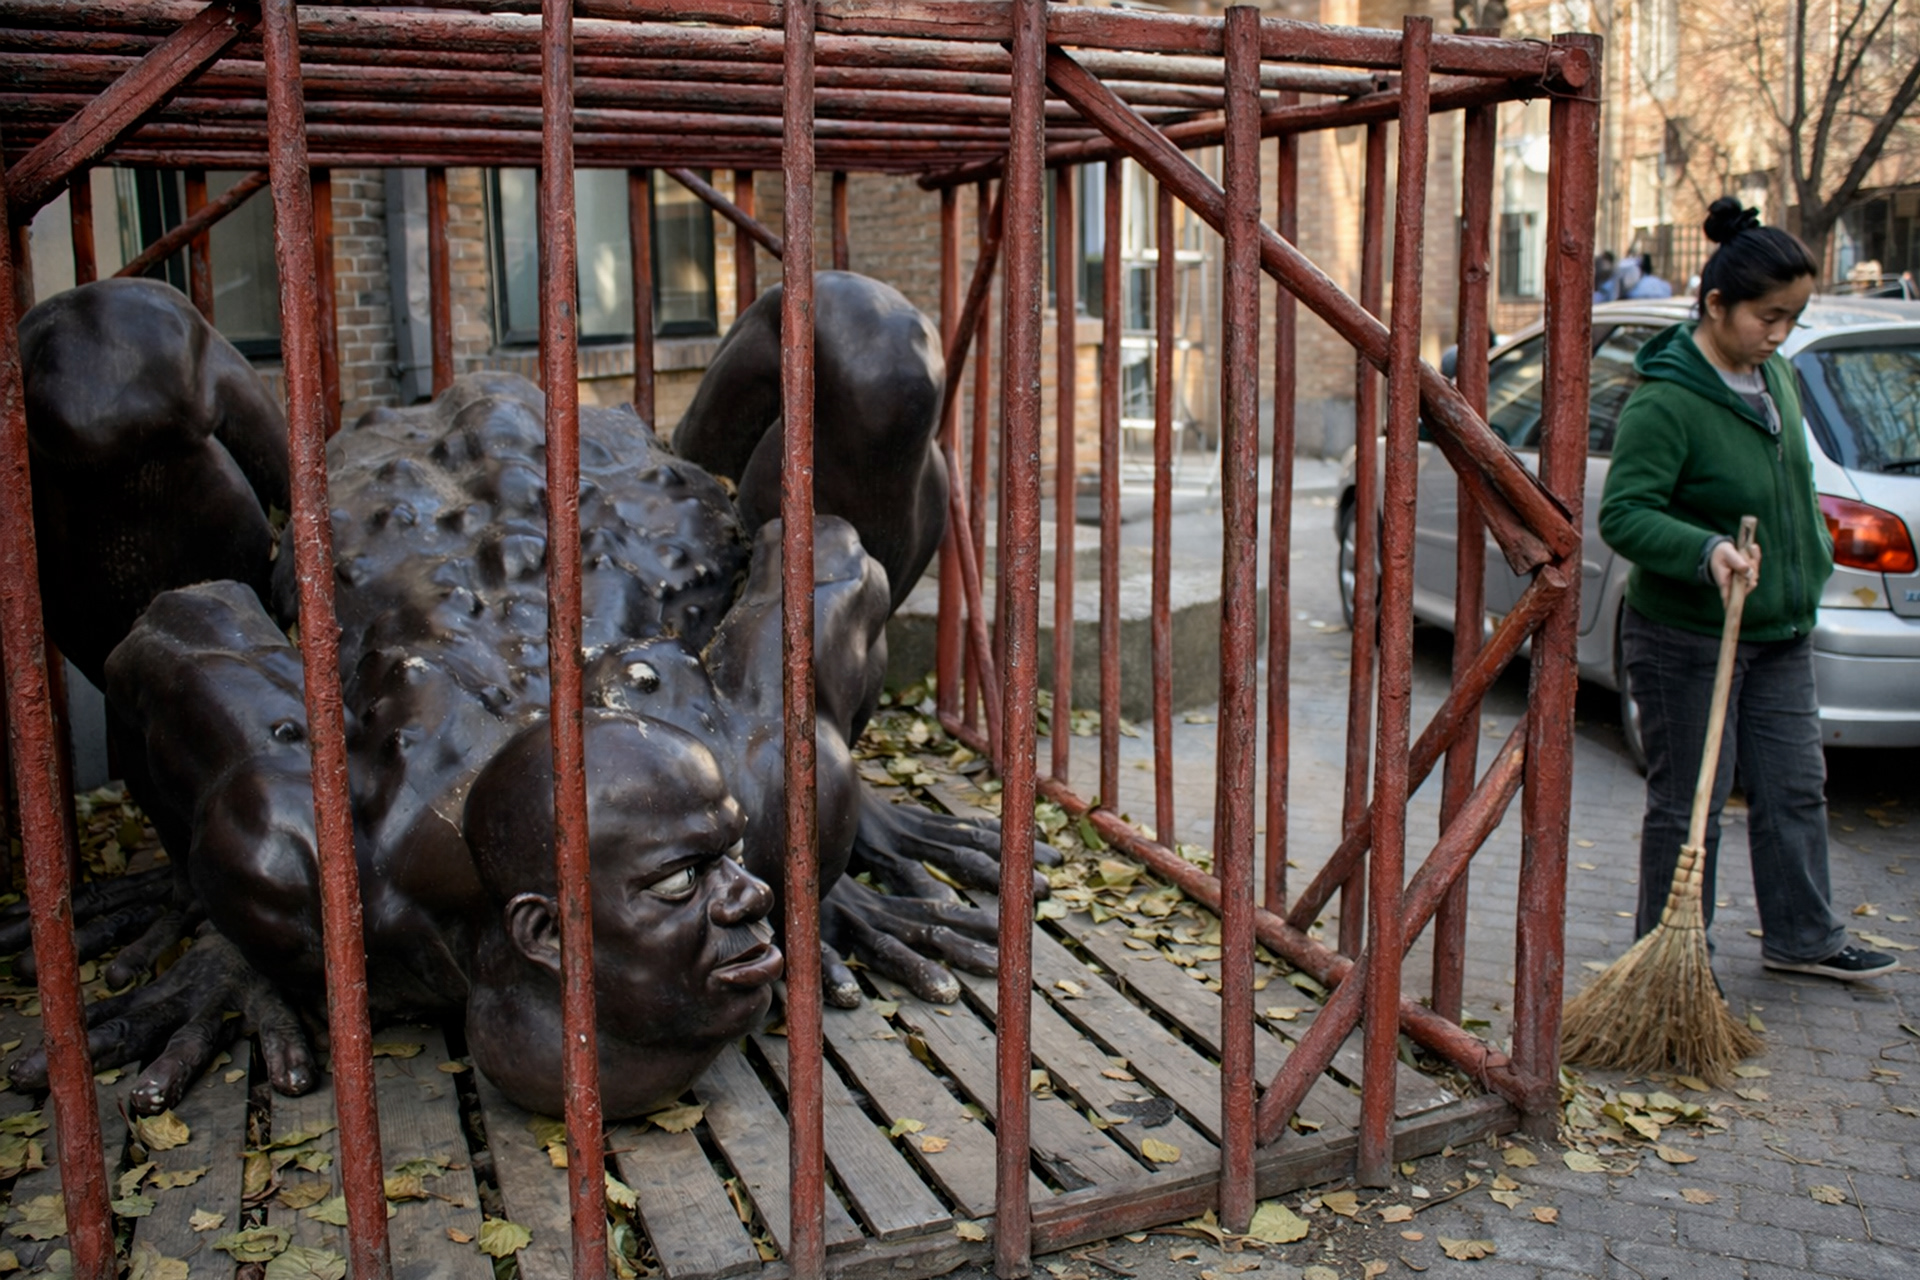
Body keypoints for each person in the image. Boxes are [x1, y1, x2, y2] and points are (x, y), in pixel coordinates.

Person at [1598, 198, 1896, 982]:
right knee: (1691, 804)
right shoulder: (1668, 398)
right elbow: (1625, 515)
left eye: (1790, 320)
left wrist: (1812, 559)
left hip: (1779, 630)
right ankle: (1672, 961)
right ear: (1717, 305)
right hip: (1686, 636)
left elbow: (1790, 482)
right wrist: (1708, 549)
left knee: (1796, 788)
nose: (1777, 334)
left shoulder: (1780, 379)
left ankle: (1805, 936)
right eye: (1768, 317)